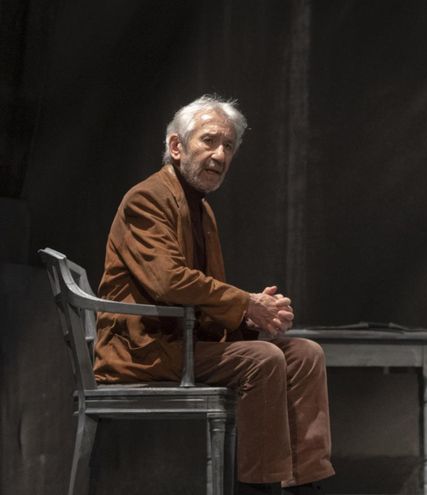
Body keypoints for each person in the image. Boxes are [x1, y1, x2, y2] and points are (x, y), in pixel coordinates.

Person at [94, 94, 333, 494]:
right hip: (145, 348)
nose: (220, 154)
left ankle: (304, 486)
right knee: (262, 359)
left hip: (185, 342)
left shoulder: (200, 209)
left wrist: (252, 310)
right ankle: (260, 488)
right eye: (209, 141)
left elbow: (198, 292)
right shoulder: (147, 199)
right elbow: (169, 281)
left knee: (306, 354)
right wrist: (246, 305)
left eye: (228, 146)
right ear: (176, 146)